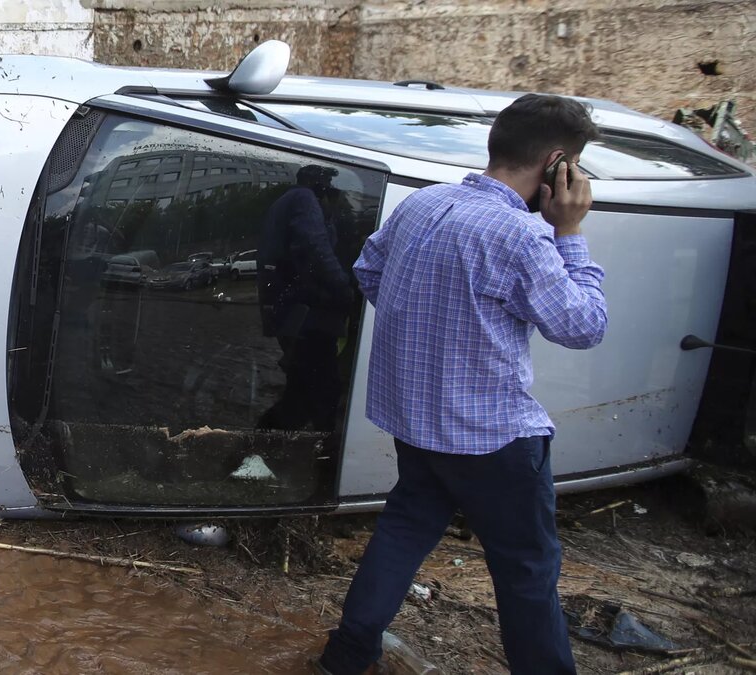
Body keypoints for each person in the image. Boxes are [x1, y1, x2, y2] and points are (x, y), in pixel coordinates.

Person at [317, 94, 607, 674]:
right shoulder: (521, 237)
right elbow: (584, 327)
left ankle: (345, 658)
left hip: (417, 424)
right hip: (494, 438)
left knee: (403, 530)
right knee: (526, 570)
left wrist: (430, 326)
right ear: (557, 164)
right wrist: (569, 231)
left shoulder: (422, 204)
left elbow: (369, 271)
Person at [255, 165, 355, 433]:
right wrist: (346, 291)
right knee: (323, 392)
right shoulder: (303, 199)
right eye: (325, 180)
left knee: (302, 392)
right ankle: (323, 460)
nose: (329, 186)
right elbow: (315, 250)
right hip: (307, 317)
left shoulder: (286, 201)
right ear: (314, 180)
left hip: (294, 314)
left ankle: (257, 448)